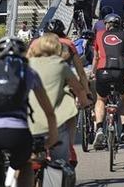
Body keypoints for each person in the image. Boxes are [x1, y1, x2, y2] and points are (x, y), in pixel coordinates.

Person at [0, 37, 59, 187]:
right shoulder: (28, 72)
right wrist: (52, 138)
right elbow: (49, 112)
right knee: (25, 164)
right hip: (17, 133)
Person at [28, 33, 90, 164]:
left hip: (28, 123)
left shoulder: (26, 64)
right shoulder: (60, 64)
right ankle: (68, 154)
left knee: (24, 164)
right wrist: (86, 102)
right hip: (53, 123)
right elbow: (79, 85)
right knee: (61, 162)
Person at [92, 14, 124, 148]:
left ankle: (99, 128)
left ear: (106, 25)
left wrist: (93, 73)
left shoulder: (99, 35)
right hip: (121, 71)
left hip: (103, 71)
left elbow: (96, 57)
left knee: (100, 99)